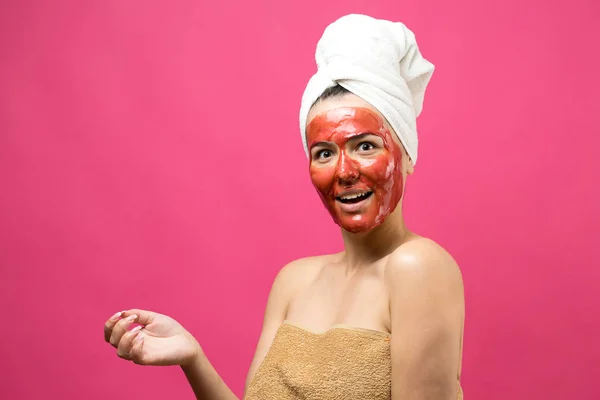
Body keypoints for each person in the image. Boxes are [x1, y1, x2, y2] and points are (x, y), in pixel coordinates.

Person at [104, 14, 465, 399]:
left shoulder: (417, 268)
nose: (344, 171)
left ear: (407, 154)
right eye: (324, 152)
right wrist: (193, 357)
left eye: (365, 146)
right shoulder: (293, 281)